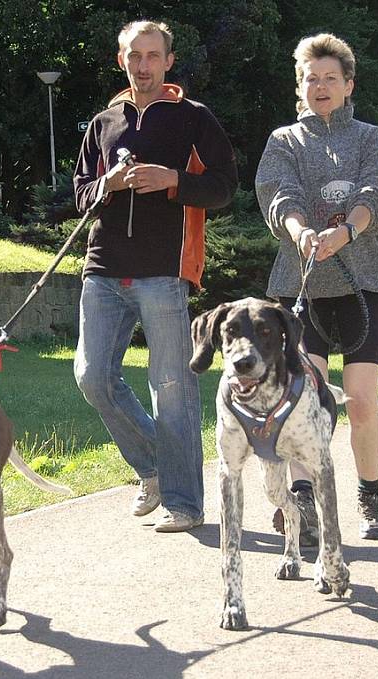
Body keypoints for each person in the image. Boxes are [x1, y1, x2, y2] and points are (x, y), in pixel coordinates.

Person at [73, 20, 238, 532]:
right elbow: (78, 195)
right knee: (93, 378)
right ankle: (154, 470)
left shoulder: (193, 118)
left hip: (164, 272)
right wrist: (106, 183)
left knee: (172, 388)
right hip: (101, 270)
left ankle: (185, 504)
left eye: (152, 55)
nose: (142, 65)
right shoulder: (104, 121)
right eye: (133, 55)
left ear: (168, 62)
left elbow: (225, 185)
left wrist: (174, 181)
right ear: (119, 59)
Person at [255, 33, 378, 541]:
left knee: (360, 399)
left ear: (348, 84)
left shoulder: (373, 139)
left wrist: (347, 231)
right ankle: (304, 502)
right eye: (310, 78)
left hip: (366, 282)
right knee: (307, 399)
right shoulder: (282, 142)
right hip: (302, 284)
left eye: (330, 79)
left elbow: (377, 194)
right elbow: (280, 195)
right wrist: (301, 233)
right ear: (300, 85)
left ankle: (371, 495)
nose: (320, 86)